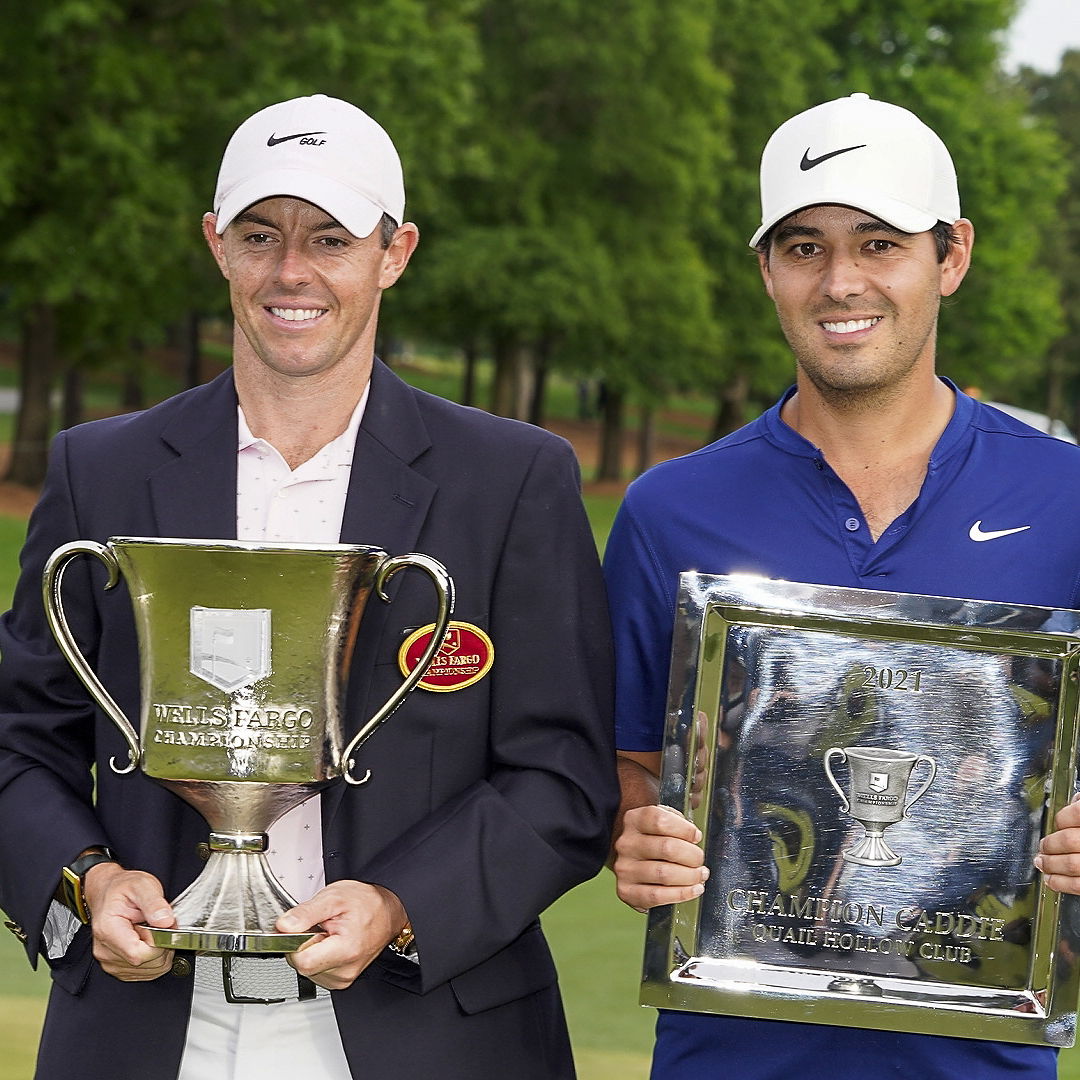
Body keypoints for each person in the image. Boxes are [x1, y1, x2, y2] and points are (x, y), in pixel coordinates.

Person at [0, 93, 618, 1080]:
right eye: (261, 234)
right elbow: (16, 741)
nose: (293, 270)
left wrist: (401, 903)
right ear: (217, 245)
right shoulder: (100, 474)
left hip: (427, 1032)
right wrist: (85, 881)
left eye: (331, 238)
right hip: (150, 1030)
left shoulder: (511, 482)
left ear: (395, 251)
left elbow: (566, 782)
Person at [605, 91, 1080, 1079]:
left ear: (950, 257)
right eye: (804, 247)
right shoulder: (670, 511)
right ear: (769, 272)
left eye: (878, 243)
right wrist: (635, 830)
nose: (840, 281)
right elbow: (628, 762)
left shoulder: (1067, 497)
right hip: (726, 1055)